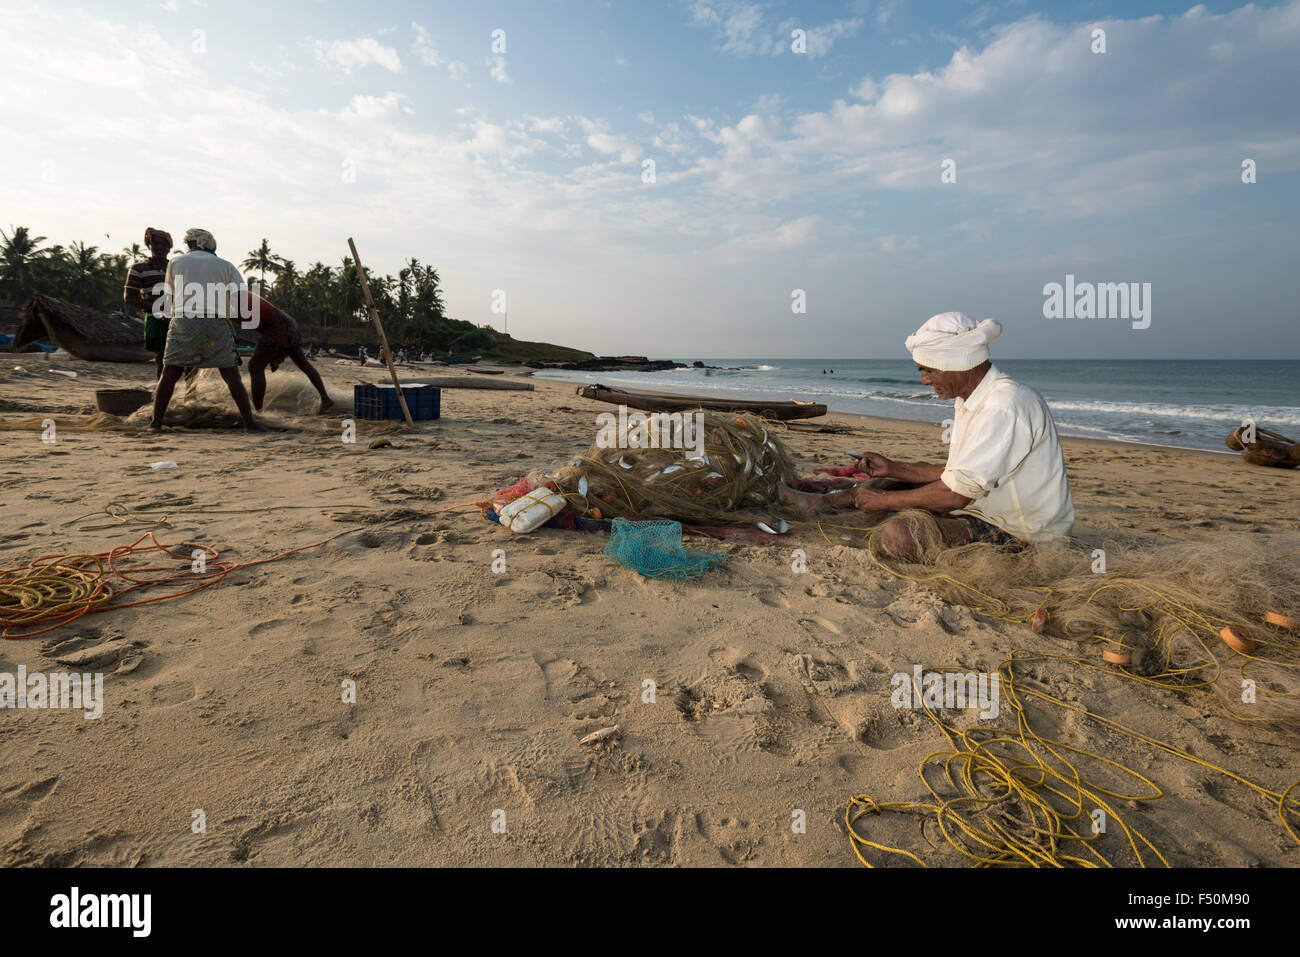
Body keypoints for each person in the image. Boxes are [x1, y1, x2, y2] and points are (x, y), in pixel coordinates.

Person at [780, 312, 1074, 559]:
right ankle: (825, 504)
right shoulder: (972, 399)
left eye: (928, 370)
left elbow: (955, 494)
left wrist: (881, 501)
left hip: (1020, 533)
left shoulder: (1004, 405)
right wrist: (894, 468)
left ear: (955, 361)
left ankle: (833, 503)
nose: (924, 381)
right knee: (892, 482)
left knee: (901, 535)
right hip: (982, 507)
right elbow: (957, 474)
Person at [148, 228, 261, 432]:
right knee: (231, 377)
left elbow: (169, 294)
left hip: (183, 321)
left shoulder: (175, 262)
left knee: (169, 374)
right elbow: (241, 297)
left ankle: (155, 424)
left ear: (190, 244)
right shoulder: (226, 265)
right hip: (215, 323)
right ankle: (250, 425)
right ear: (211, 246)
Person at [241, 291, 333, 413]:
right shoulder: (234, 295)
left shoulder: (228, 300)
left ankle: (258, 411)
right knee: (303, 364)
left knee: (255, 367)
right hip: (287, 323)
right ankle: (325, 398)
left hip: (276, 326)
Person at [123, 228, 173, 379]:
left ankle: (191, 392)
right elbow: (129, 297)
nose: (159, 247)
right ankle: (162, 392)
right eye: (156, 244)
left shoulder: (177, 267)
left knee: (188, 357)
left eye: (163, 245)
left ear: (169, 248)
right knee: (162, 358)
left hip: (178, 317)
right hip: (155, 318)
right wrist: (158, 309)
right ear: (149, 246)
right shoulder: (138, 269)